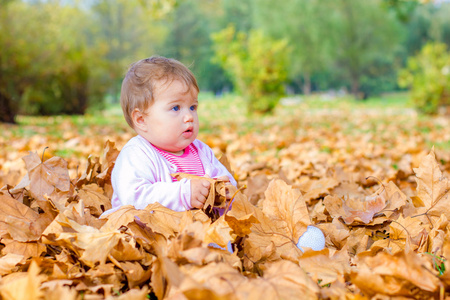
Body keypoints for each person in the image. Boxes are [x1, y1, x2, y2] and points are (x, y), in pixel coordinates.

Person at [102, 56, 236, 216]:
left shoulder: (201, 152)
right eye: (175, 108)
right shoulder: (136, 154)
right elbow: (133, 197)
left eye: (192, 107)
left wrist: (225, 191)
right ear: (141, 119)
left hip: (199, 234)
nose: (189, 116)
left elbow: (226, 180)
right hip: (149, 236)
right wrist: (182, 194)